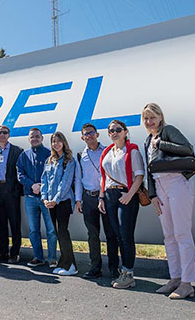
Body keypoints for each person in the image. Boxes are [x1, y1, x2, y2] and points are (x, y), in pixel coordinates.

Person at [143, 103, 195, 299]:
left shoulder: (168, 131)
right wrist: (152, 195)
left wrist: (161, 144)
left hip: (176, 182)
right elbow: (149, 169)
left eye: (152, 117)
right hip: (159, 186)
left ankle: (187, 283)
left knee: (182, 233)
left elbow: (187, 149)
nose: (149, 121)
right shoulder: (147, 140)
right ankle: (174, 278)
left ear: (160, 117)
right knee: (168, 235)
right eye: (146, 118)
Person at [98, 120, 145, 289]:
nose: (114, 133)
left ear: (125, 132)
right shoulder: (107, 152)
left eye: (118, 130)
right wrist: (101, 198)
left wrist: (129, 195)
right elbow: (103, 177)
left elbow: (139, 175)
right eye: (111, 130)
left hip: (126, 194)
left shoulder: (132, 150)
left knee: (126, 235)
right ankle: (123, 272)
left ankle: (129, 273)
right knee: (117, 235)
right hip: (109, 195)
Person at [75, 123, 118, 279]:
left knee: (111, 234)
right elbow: (78, 179)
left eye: (91, 133)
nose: (89, 136)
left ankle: (114, 268)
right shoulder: (81, 155)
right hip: (88, 198)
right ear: (82, 137)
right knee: (92, 234)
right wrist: (78, 200)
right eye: (86, 134)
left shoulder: (108, 151)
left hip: (106, 197)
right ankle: (95, 267)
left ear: (97, 134)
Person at [41, 131, 82, 276]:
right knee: (58, 232)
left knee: (63, 232)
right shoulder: (50, 160)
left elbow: (65, 184)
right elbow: (44, 180)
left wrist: (55, 200)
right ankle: (63, 262)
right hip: (51, 202)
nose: (56, 144)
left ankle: (72, 265)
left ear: (63, 142)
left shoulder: (69, 161)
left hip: (63, 202)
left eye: (58, 141)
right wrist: (44, 198)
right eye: (53, 141)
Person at [16, 128, 57, 268]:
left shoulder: (49, 154)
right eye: (32, 137)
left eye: (37, 136)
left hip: (46, 198)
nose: (34, 139)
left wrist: (42, 186)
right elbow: (20, 174)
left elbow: (53, 174)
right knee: (34, 230)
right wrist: (32, 185)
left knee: (51, 229)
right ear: (29, 139)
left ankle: (52, 258)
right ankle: (38, 257)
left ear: (42, 138)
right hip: (30, 197)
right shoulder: (24, 156)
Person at [0, 125, 23, 263]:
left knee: (14, 223)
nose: (2, 135)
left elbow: (20, 171)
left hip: (11, 191)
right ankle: (2, 252)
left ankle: (14, 253)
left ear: (9, 135)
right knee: (0, 223)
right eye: (0, 133)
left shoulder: (17, 150)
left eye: (5, 132)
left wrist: (16, 190)